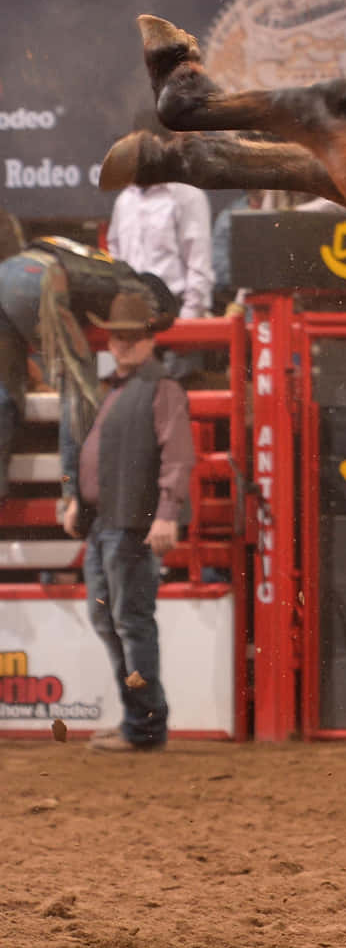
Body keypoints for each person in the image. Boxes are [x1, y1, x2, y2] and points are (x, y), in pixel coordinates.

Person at [60, 289, 194, 752]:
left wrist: (167, 514)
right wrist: (80, 498)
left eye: (131, 337)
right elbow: (97, 453)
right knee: (115, 621)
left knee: (128, 622)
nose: (123, 344)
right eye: (117, 336)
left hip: (132, 524)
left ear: (148, 339)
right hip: (107, 522)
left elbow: (177, 458)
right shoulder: (118, 388)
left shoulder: (161, 388)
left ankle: (145, 726)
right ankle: (139, 720)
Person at [0, 238, 175, 504]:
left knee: (5, 386)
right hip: (43, 281)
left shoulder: (103, 262)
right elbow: (138, 319)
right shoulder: (136, 286)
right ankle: (73, 492)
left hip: (8, 272)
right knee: (78, 387)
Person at [108, 180, 213, 321]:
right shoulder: (124, 199)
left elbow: (198, 262)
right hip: (132, 311)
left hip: (174, 309)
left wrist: (188, 317)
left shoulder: (187, 195)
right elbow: (115, 255)